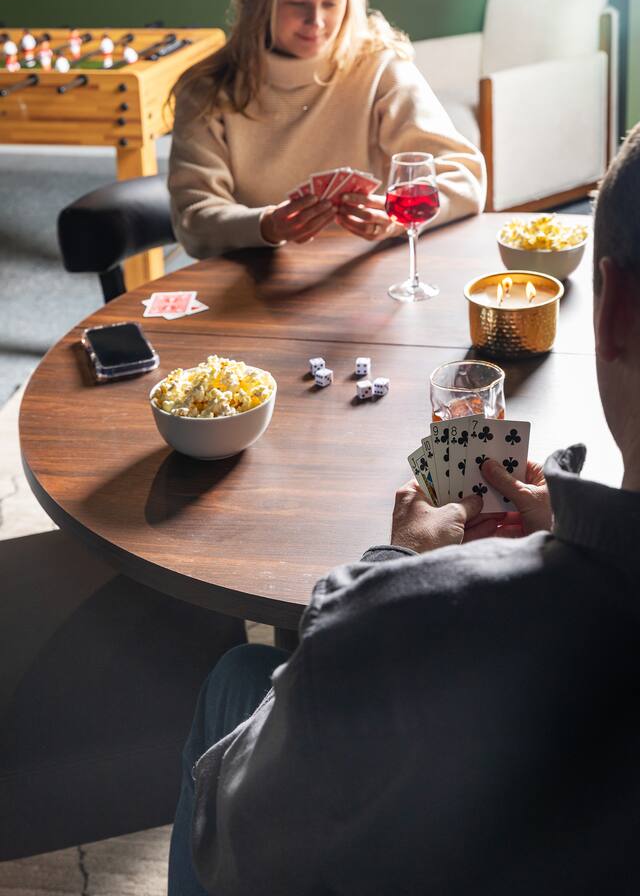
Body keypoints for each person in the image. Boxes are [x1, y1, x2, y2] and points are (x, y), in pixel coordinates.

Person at [168, 122, 640, 896]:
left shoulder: (387, 621)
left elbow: (234, 845)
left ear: (611, 306)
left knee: (240, 676)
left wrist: (396, 566)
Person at [168, 0, 485, 261]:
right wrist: (267, 225)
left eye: (331, 3)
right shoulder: (207, 88)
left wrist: (395, 220)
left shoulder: (379, 67)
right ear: (263, 0)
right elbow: (194, 219)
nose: (316, 21)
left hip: (365, 269)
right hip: (254, 276)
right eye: (297, 2)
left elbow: (466, 177)